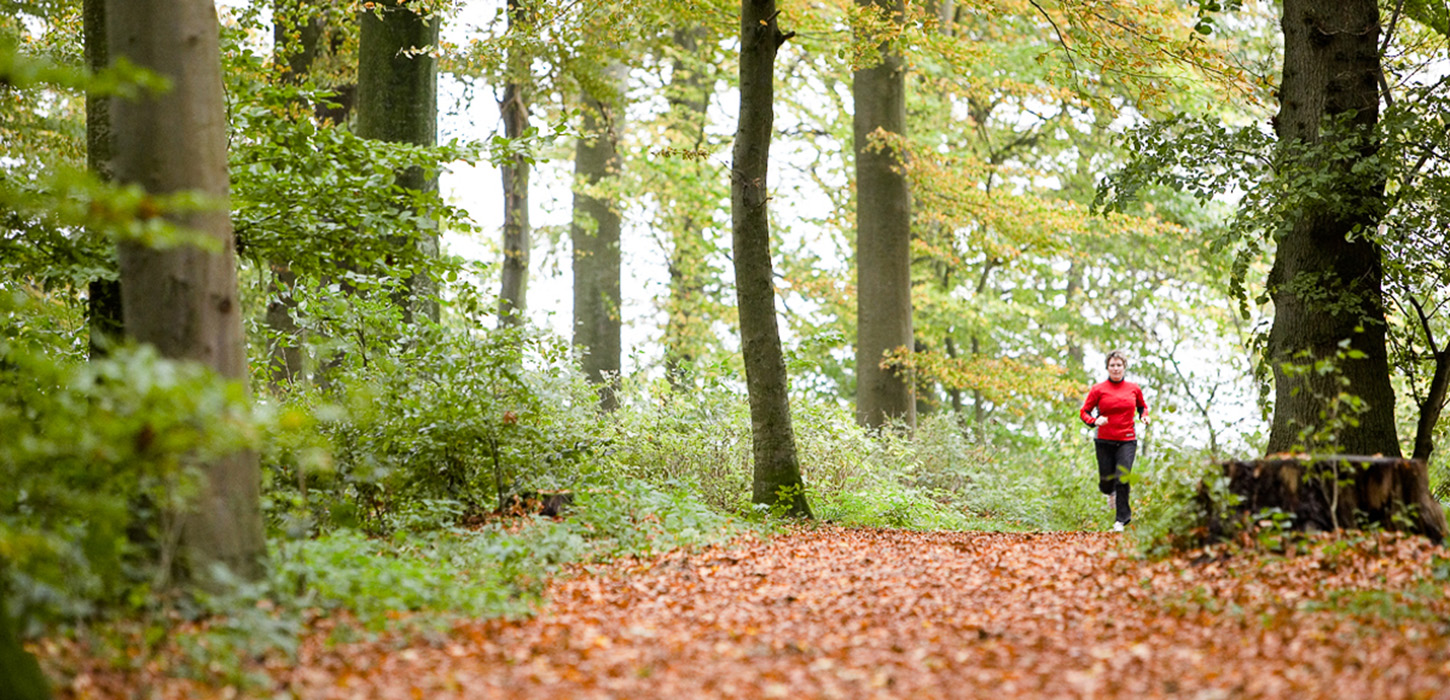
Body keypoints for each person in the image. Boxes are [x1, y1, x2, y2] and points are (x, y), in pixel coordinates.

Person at [1079, 350, 1148, 532]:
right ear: (1107, 368)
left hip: (1127, 439)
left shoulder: (1134, 388)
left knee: (1123, 477)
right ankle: (1109, 491)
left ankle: (1121, 520)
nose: (1116, 368)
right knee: (1106, 481)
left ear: (1124, 367)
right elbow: (1084, 412)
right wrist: (1094, 421)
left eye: (1119, 365)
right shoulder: (1098, 389)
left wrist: (1144, 417)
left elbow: (1142, 407)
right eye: (1112, 365)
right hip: (1104, 440)